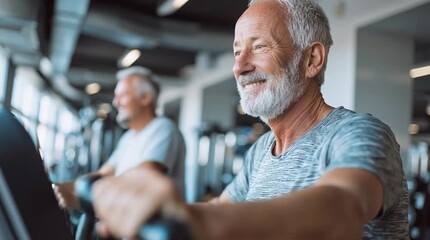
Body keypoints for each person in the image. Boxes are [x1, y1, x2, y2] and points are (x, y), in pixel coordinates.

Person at [91, 0, 409, 239]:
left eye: (258, 47)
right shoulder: (261, 150)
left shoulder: (358, 133)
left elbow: (343, 207)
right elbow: (220, 208)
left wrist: (201, 225)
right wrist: (151, 211)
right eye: (236, 51)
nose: (239, 67)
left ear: (312, 60)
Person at [54, 66, 186, 210]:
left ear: (145, 98)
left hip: (152, 227)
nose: (115, 103)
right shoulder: (128, 137)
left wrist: (81, 200)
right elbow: (100, 175)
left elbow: (144, 177)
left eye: (122, 95)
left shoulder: (163, 128)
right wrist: (58, 187)